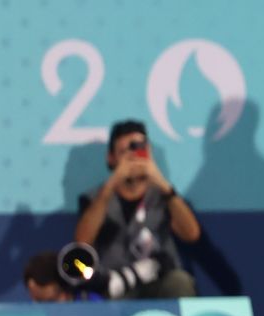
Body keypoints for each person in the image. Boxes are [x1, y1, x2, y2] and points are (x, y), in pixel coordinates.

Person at [75, 121, 201, 299]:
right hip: (116, 284)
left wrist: (162, 184)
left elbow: (192, 234)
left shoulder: (165, 196)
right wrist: (112, 183)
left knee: (180, 281)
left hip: (160, 280)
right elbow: (82, 241)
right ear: (111, 158)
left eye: (140, 149)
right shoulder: (95, 198)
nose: (134, 158)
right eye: (126, 151)